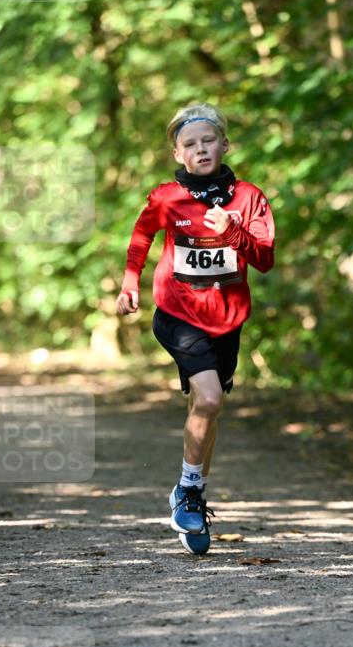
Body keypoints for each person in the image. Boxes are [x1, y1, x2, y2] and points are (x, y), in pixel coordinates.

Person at [116, 102, 275, 555]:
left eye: (209, 140)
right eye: (190, 144)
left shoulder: (249, 198)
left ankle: (192, 492)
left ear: (225, 144)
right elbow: (141, 237)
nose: (201, 149)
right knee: (209, 398)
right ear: (177, 154)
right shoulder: (167, 197)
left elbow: (264, 260)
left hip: (228, 317)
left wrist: (233, 233)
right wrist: (131, 284)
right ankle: (187, 491)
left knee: (208, 408)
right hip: (177, 313)